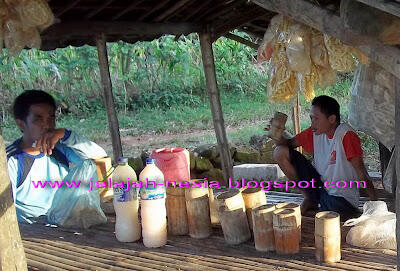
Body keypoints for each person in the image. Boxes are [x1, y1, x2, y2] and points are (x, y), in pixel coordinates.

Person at [6, 90, 107, 223]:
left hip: (65, 221)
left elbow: (100, 158)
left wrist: (67, 135)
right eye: (38, 119)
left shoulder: (60, 148)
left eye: (51, 118)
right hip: (33, 231)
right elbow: (5, 207)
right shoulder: (12, 160)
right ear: (21, 124)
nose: (47, 125)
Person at [272, 95, 377, 218]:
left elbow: (361, 172)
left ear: (331, 119)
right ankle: (310, 197)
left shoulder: (346, 135)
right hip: (321, 187)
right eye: (311, 118)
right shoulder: (315, 132)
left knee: (331, 213)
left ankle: (325, 207)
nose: (312, 123)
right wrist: (276, 133)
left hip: (341, 197)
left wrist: (375, 203)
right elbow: (288, 144)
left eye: (316, 118)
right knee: (279, 152)